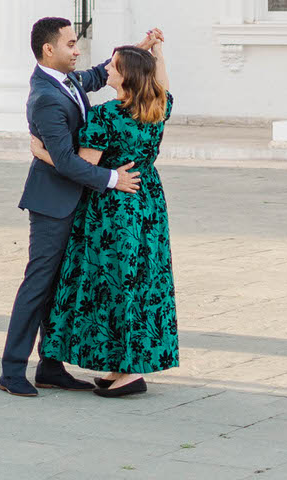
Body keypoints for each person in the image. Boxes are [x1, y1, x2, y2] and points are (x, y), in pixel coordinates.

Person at [0, 16, 146, 398]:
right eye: (70, 44)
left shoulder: (67, 80)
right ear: (49, 49)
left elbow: (102, 74)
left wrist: (141, 50)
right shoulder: (45, 97)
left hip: (76, 201)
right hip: (53, 204)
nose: (77, 50)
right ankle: (12, 370)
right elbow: (64, 160)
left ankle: (50, 367)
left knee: (60, 286)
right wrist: (114, 179)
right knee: (38, 284)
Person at [36, 30, 178, 398]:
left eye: (113, 67)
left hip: (111, 209)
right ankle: (124, 366)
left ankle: (130, 372)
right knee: (139, 282)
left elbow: (82, 166)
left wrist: (43, 153)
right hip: (147, 203)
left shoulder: (105, 117)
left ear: (126, 77)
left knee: (112, 285)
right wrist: (156, 52)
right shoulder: (157, 107)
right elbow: (162, 82)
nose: (106, 70)